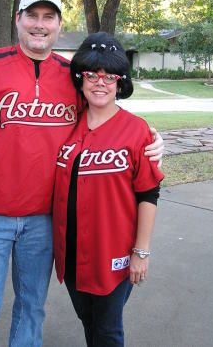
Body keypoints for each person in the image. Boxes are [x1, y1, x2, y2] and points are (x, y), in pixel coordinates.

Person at [0, 0, 164, 347]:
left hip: (44, 221)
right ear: (18, 20)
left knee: (31, 308)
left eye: (49, 17)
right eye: (32, 16)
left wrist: (151, 139)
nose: (39, 25)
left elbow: (107, 116)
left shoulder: (72, 76)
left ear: (58, 25)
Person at [53, 31, 164, 347]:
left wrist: (140, 253)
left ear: (120, 82)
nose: (100, 82)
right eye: (91, 74)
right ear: (81, 78)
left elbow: (149, 194)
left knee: (107, 330)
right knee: (88, 321)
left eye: (109, 76)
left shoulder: (136, 130)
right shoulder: (67, 126)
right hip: (72, 254)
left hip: (113, 254)